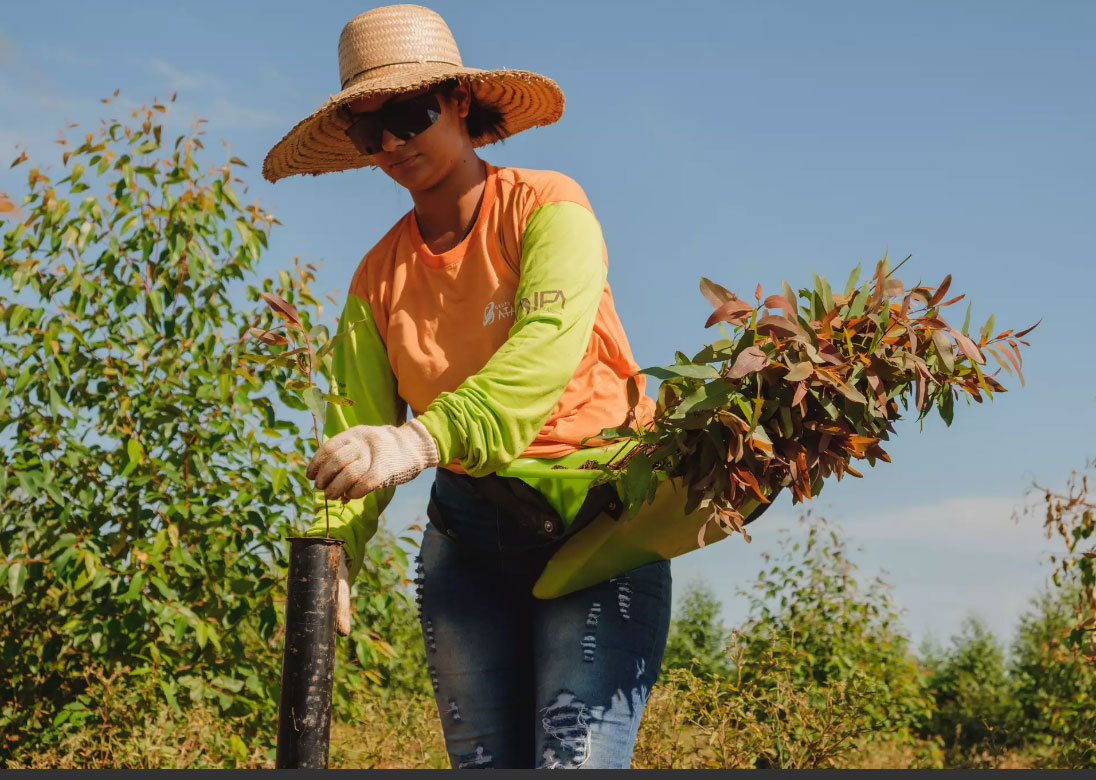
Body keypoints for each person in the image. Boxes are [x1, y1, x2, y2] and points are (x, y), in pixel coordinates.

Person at [264, 4, 671, 769]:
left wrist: (419, 440)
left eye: (408, 115)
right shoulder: (377, 279)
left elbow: (542, 356)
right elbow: (356, 431)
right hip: (469, 545)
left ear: (457, 100)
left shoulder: (547, 207)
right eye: (369, 130)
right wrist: (333, 554)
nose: (392, 144)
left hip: (600, 526)